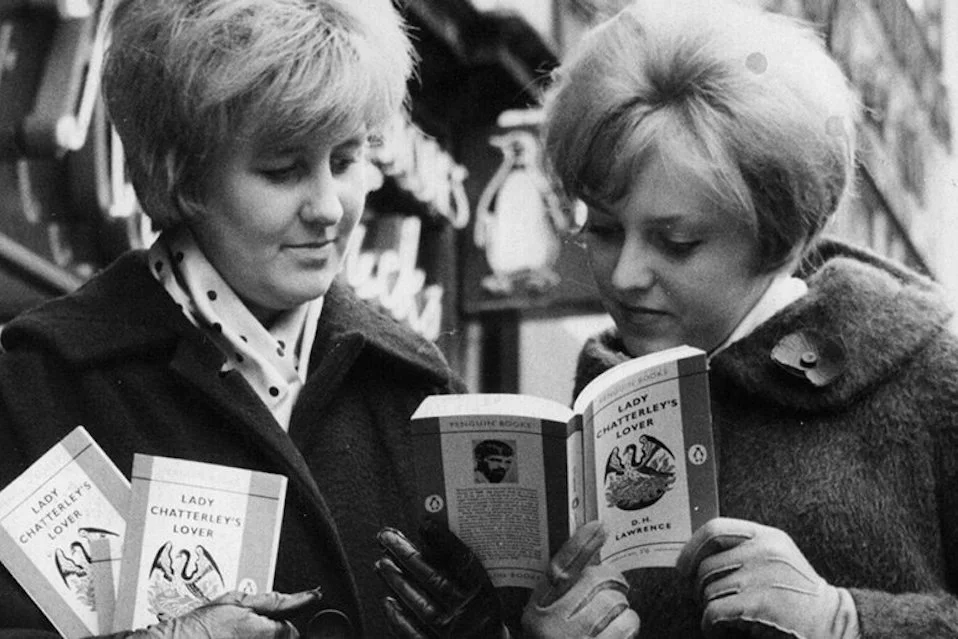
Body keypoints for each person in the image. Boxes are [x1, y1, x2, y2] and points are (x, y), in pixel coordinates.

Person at [0, 1, 467, 637]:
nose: (329, 209)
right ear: (180, 174)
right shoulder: (37, 388)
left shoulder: (423, 395)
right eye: (283, 171)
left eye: (346, 160)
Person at [521, 0, 958, 637]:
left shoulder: (931, 379)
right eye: (605, 229)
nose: (624, 275)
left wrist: (849, 621)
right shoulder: (602, 395)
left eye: (677, 242)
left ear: (779, 238)